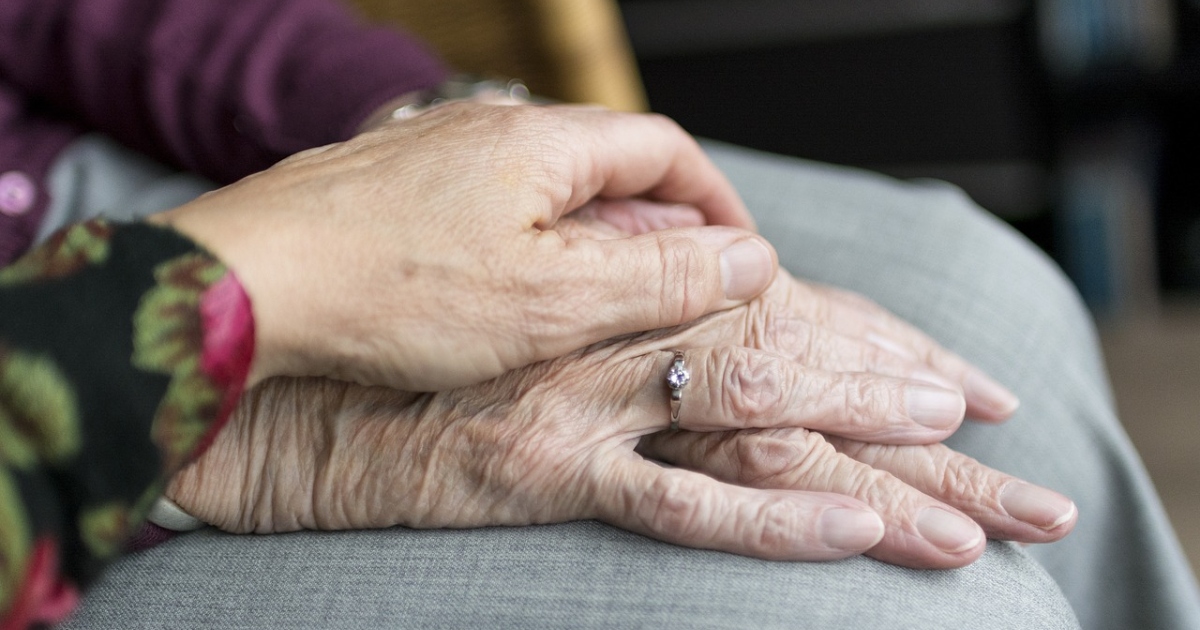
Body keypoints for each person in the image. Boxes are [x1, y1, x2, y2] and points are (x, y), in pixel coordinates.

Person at [1, 1, 1197, 630]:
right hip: (50, 462)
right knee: (913, 608)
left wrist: (428, 133)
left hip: (105, 175)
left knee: (987, 307)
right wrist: (235, 420)